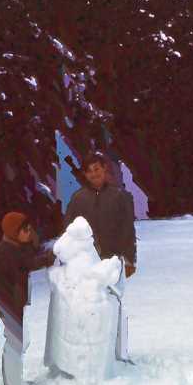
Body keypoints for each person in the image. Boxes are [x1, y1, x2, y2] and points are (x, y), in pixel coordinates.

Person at [58, 151, 138, 367]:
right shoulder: (78, 199)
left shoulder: (119, 197)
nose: (94, 174)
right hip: (88, 264)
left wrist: (130, 258)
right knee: (91, 310)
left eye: (97, 169)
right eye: (90, 171)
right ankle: (95, 355)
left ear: (105, 169)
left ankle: (120, 354)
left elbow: (128, 230)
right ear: (85, 174)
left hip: (114, 262)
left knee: (115, 307)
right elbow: (68, 232)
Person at [0, 211, 55, 385]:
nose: (29, 232)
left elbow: (27, 262)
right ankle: (14, 384)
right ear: (13, 231)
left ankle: (14, 380)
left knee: (20, 340)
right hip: (8, 303)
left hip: (14, 302)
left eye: (30, 229)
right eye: (25, 229)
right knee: (16, 341)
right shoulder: (3, 254)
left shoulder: (14, 248)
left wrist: (46, 257)